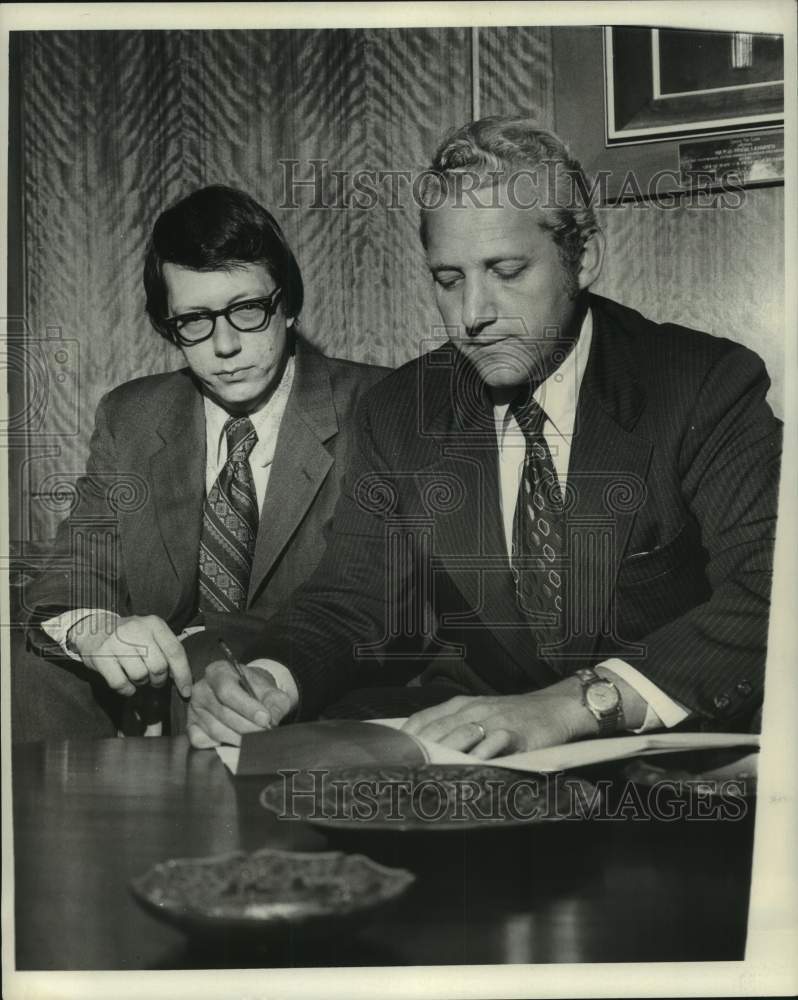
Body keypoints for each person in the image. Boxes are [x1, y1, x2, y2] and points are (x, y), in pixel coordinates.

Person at [186, 118, 781, 757]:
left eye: (505, 270)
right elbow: (352, 601)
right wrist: (269, 681)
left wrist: (576, 703)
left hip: (664, 773)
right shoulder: (400, 410)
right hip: (475, 773)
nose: (473, 314)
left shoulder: (703, 384)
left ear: (584, 260)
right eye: (449, 280)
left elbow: (771, 592)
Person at [16, 184, 387, 740]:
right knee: (27, 670)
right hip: (144, 707)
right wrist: (96, 630)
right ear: (168, 325)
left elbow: (379, 609)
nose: (225, 345)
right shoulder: (131, 417)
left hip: (291, 698)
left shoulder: (376, 408)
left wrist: (203, 652)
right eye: (194, 320)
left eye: (247, 310)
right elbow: (71, 577)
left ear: (287, 304)